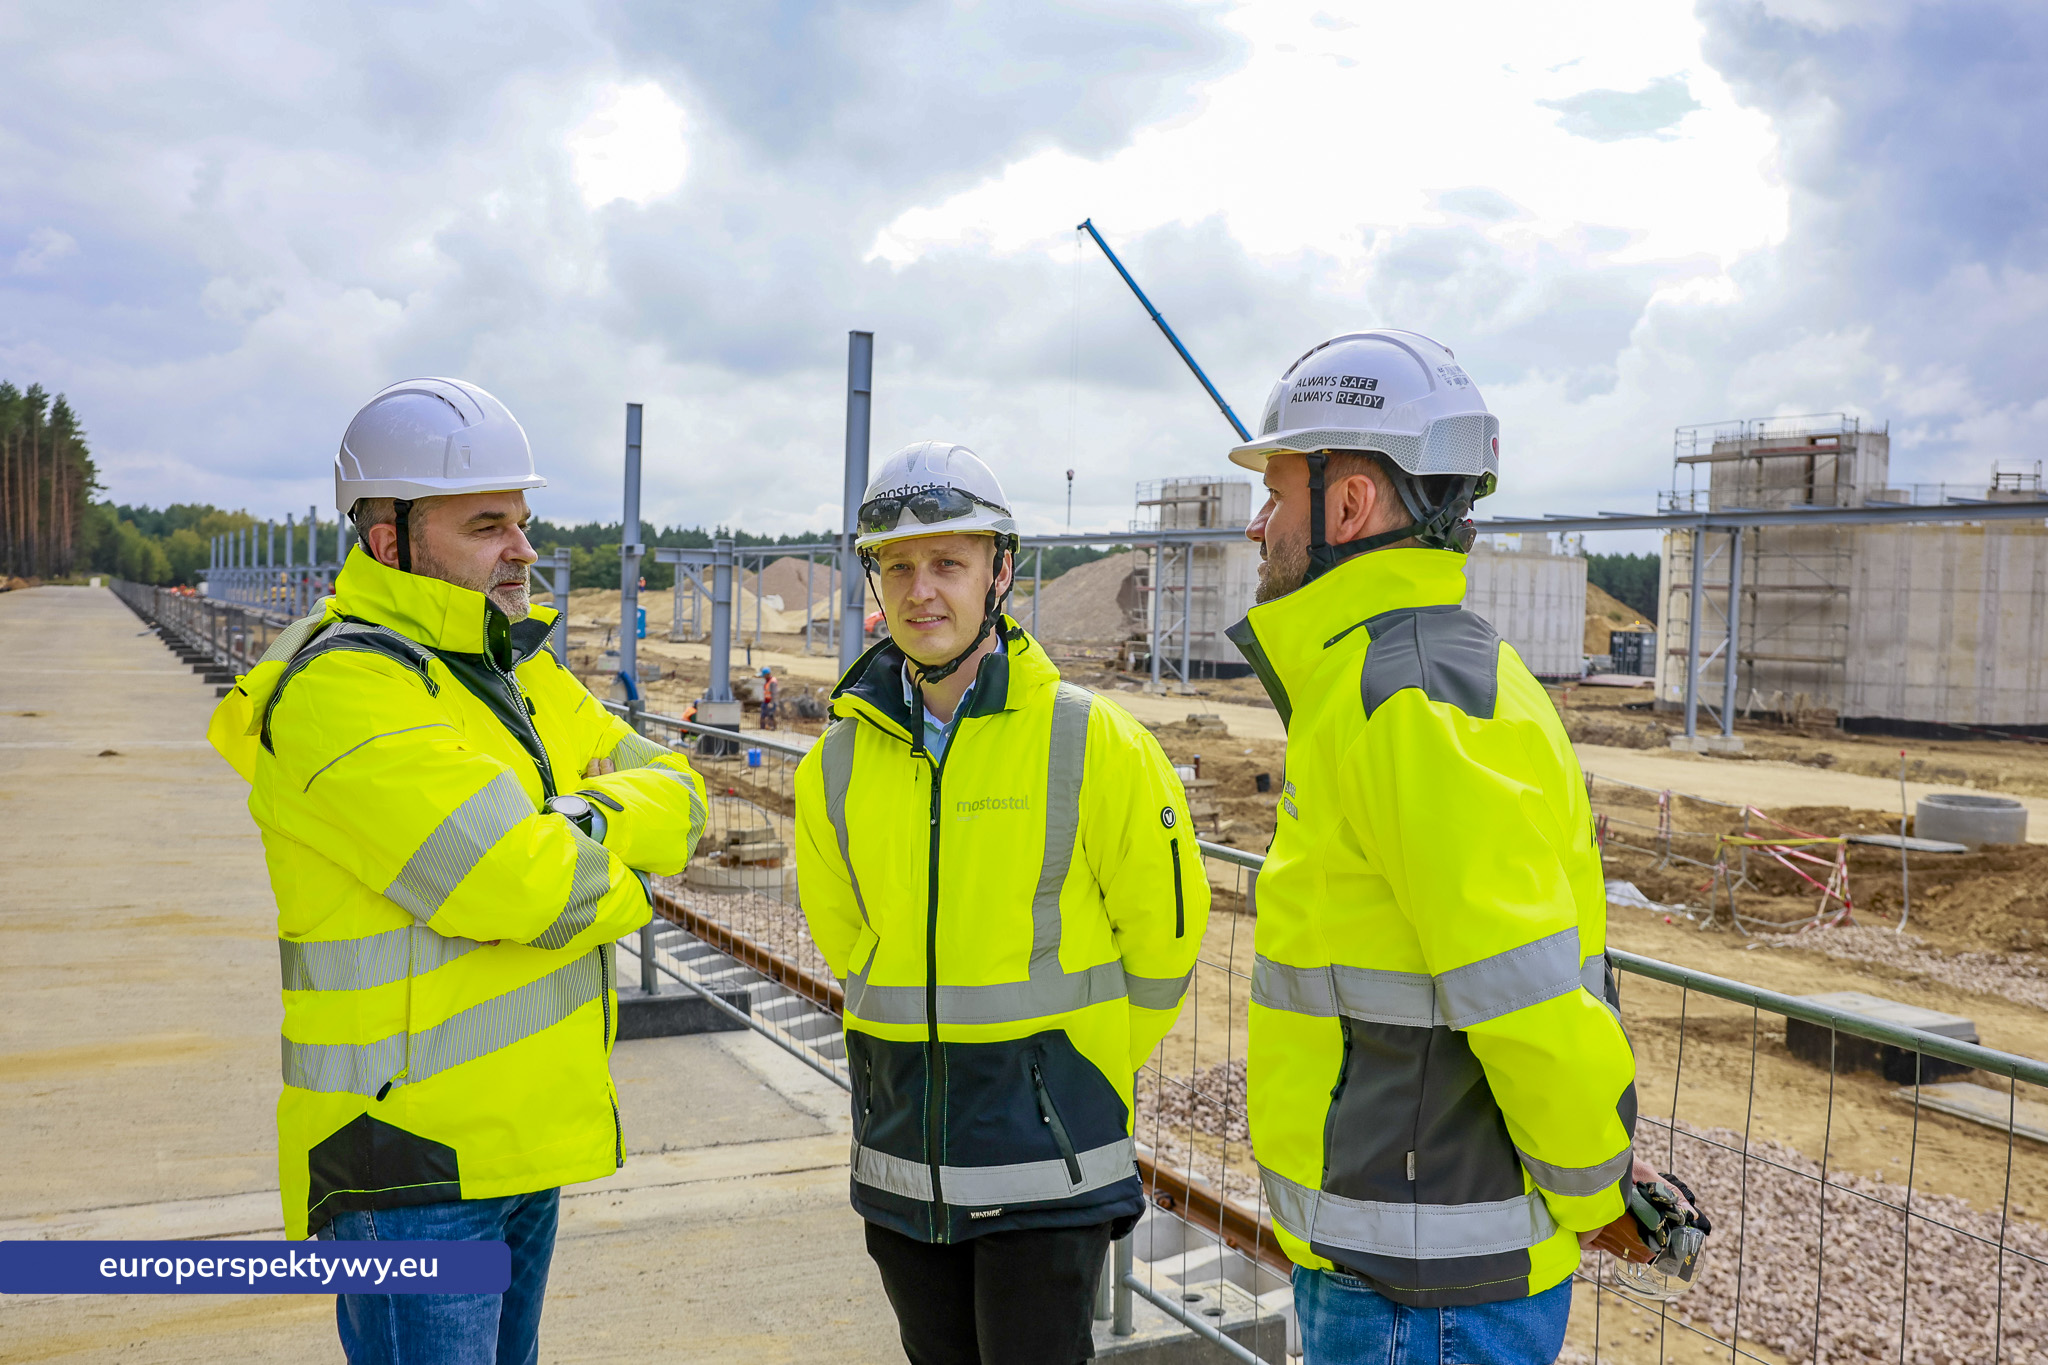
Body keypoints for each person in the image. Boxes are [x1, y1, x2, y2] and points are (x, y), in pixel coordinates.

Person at [207, 377, 708, 1365]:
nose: (521, 549)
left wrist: (572, 820)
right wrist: (623, 866)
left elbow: (682, 794)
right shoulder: (342, 691)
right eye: (487, 525)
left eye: (521, 521)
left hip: (520, 1147)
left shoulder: (509, 671)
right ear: (390, 538)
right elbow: (521, 884)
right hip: (408, 1170)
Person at [1223, 333, 1653, 1364]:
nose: (1256, 524)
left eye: (1276, 492)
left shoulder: (1406, 703)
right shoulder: (1417, 677)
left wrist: (1596, 1188)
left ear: (1348, 506)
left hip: (1423, 1290)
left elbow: (1522, 993)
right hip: (1402, 1258)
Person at [793, 441, 1208, 1365]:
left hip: (1046, 1169)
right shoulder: (836, 762)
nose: (921, 590)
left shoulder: (1094, 740)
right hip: (904, 1161)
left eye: (948, 562)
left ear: (1001, 572)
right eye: (898, 565)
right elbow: (850, 943)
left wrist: (1066, 1076)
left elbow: (1167, 939)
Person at [758, 664, 779, 730]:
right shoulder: (767, 681)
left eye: (764, 675)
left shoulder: (773, 682)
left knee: (771, 716)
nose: (763, 677)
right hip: (765, 701)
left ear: (767, 674)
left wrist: (772, 703)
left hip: (771, 702)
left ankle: (773, 728)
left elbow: (774, 693)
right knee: (763, 716)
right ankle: (762, 728)